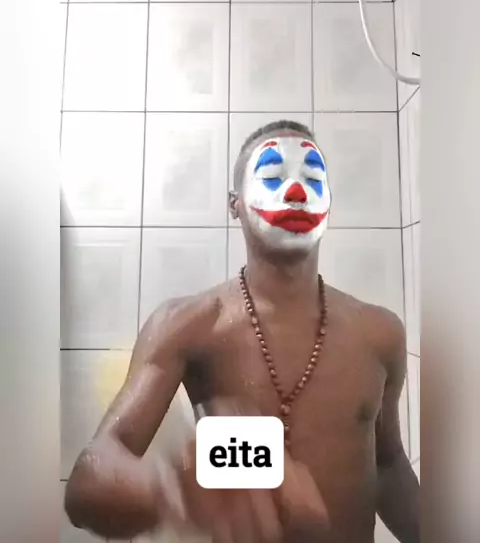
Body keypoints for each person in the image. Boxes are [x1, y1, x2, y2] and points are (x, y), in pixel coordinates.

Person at [64, 120, 420, 543]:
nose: (296, 191)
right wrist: (168, 491)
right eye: (272, 176)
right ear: (234, 204)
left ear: (329, 201)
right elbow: (86, 483)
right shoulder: (187, 325)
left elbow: (389, 465)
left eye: (312, 178)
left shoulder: (381, 334)